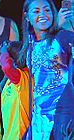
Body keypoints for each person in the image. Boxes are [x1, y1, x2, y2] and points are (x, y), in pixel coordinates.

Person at [18, 0, 74, 139]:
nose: (42, 14)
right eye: (36, 11)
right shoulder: (29, 45)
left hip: (62, 112)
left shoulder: (63, 37)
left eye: (47, 10)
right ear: (27, 17)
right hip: (39, 114)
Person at [0, 41, 30, 140]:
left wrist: (4, 52)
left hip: (19, 135)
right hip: (10, 135)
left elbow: (6, 67)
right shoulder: (13, 78)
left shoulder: (22, 77)